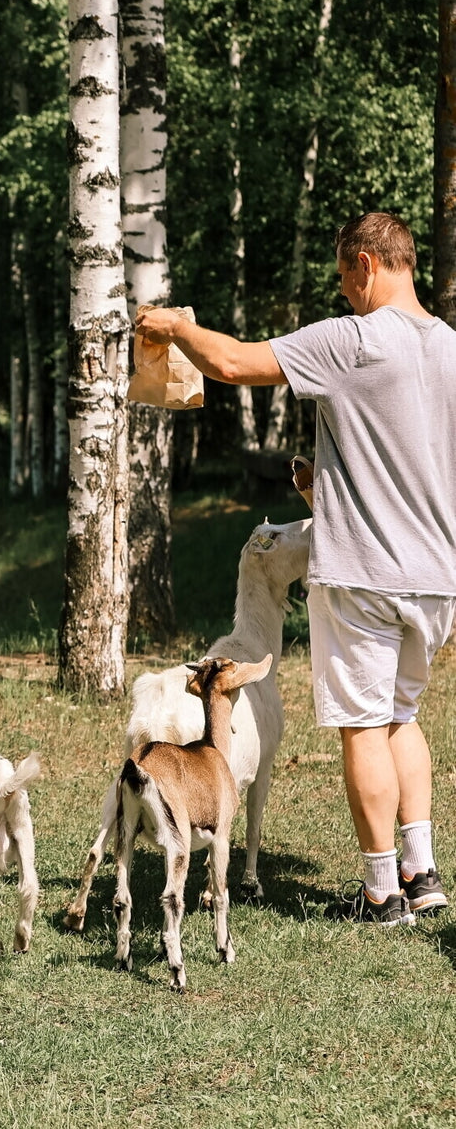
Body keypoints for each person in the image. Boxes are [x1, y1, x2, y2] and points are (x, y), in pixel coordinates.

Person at [137, 212, 456, 925]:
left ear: (366, 266)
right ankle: (423, 871)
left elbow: (232, 363)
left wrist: (177, 329)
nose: (345, 295)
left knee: (364, 725)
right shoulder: (452, 351)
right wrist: (331, 489)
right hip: (436, 573)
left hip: (366, 574)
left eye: (346, 280)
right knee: (404, 716)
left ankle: (381, 894)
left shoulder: (354, 339)